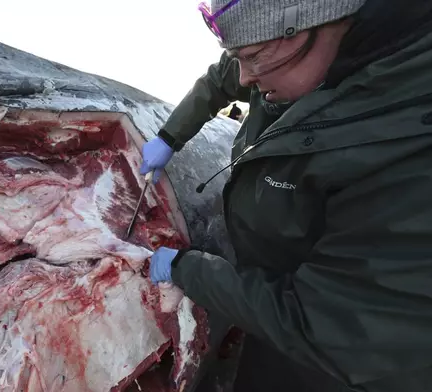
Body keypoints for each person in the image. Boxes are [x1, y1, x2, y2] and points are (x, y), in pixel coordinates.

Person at [140, 0, 432, 391]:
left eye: (254, 57)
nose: (244, 78)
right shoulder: (295, 57)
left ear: (313, 24)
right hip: (271, 306)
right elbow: (225, 76)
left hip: (341, 363)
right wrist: (170, 135)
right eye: (239, 55)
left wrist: (188, 270)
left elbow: (325, 328)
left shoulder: (409, 153)